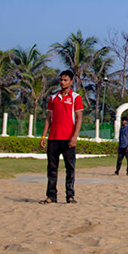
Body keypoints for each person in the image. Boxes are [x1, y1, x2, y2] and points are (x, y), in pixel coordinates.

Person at [39, 70, 83, 204]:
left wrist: (75, 137)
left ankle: (70, 196)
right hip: (53, 139)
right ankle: (51, 195)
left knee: (70, 168)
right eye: (61, 80)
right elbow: (48, 118)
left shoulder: (76, 98)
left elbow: (79, 118)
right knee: (52, 168)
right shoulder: (53, 98)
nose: (62, 82)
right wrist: (43, 136)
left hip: (68, 139)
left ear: (71, 82)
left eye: (65, 80)